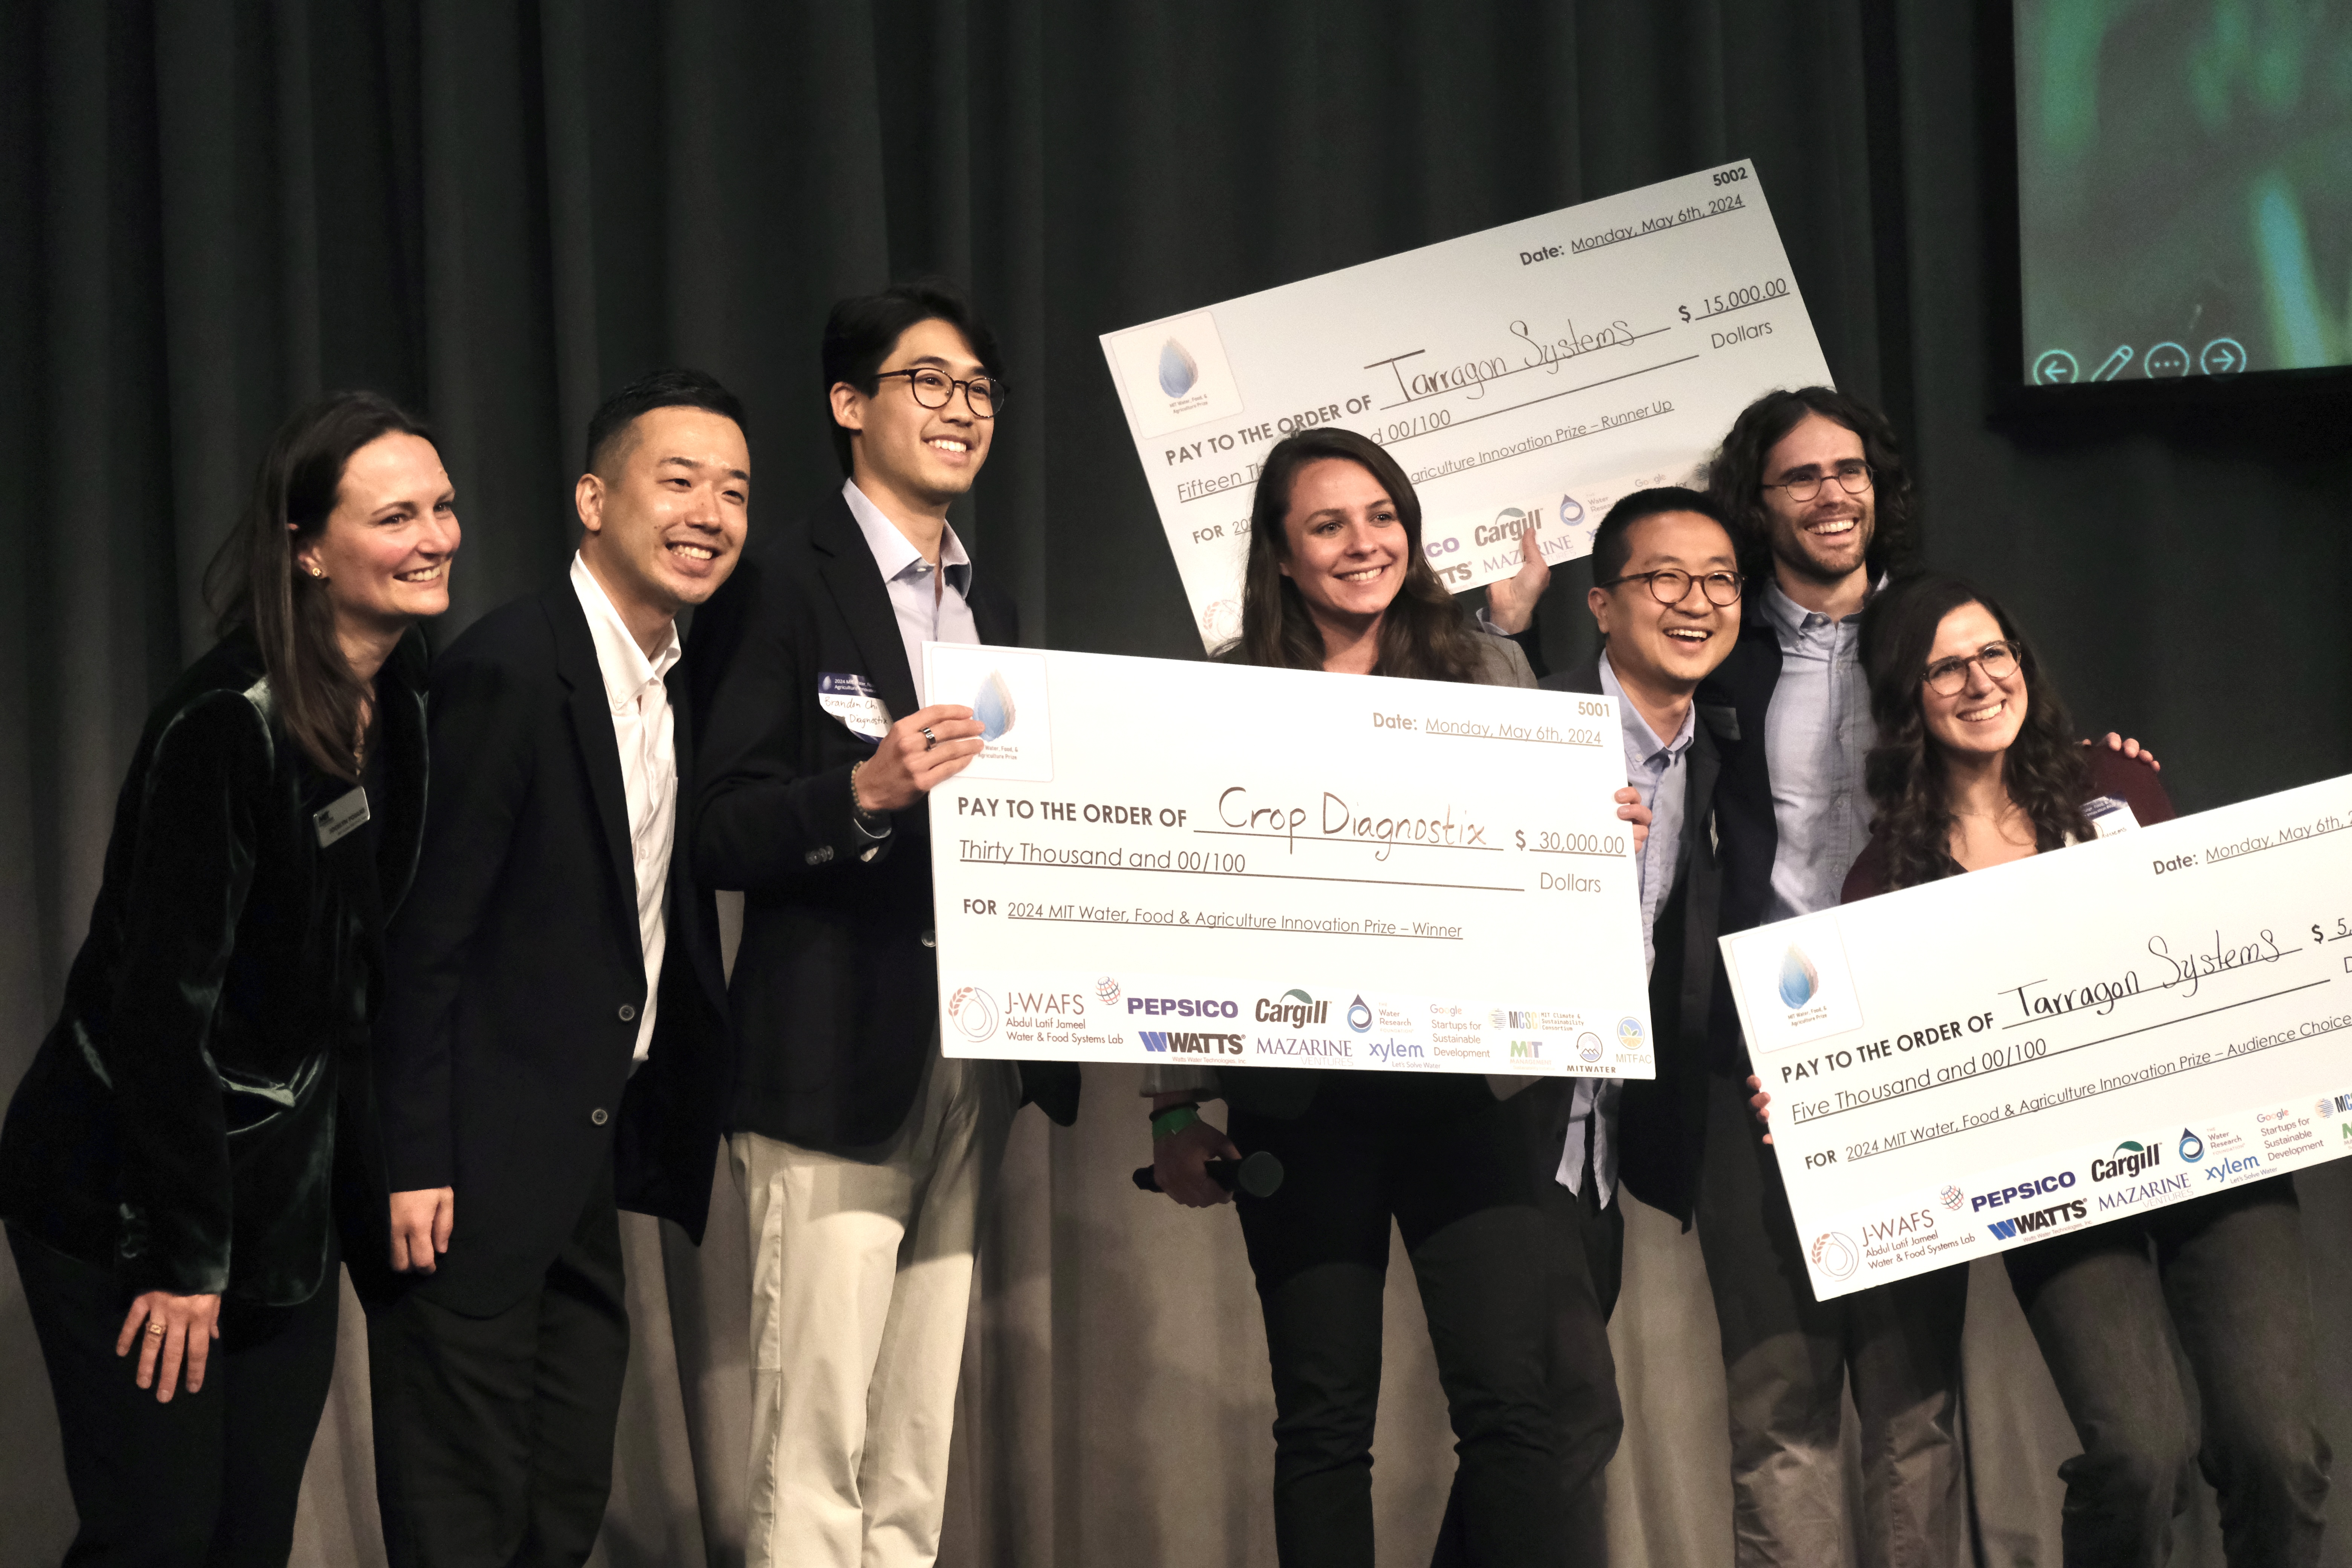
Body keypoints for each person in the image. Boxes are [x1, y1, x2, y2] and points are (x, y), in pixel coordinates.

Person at [1145, 426, 1649, 1568]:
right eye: (1328, 525)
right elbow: (1179, 912)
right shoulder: (1224, 693)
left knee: (1512, 1411)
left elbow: (1549, 868)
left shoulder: (1484, 669)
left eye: (1382, 517)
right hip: (1301, 1102)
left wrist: (1598, 834)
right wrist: (1176, 1107)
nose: (1363, 543)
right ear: (1281, 554)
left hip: (1469, 1094)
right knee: (1324, 1426)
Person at [1773, 572, 2330, 1566]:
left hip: (2217, 1154)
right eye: (1947, 666)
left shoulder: (2120, 786)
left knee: (2276, 1449)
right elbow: (1870, 1056)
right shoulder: (1885, 878)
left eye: (1996, 654)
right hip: (2059, 1192)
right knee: (2140, 1454)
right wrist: (1808, 1095)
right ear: (1908, 697)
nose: (1981, 680)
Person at [0, 391, 457, 1564]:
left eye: (444, 508)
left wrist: (390, 1169)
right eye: (397, 514)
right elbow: (162, 1020)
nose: (437, 536)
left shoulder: (404, 690)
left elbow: (367, 972)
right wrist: (186, 1261)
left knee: (248, 1535)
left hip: (281, 1207)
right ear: (308, 549)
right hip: (129, 1198)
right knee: (158, 1537)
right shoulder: (224, 726)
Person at [690, 281, 1080, 1568]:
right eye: (930, 382)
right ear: (851, 405)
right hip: (827, 1054)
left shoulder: (994, 609)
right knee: (814, 1442)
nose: (960, 409)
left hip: (968, 1051)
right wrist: (859, 792)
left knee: (916, 1443)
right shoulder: (778, 584)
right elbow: (720, 825)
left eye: (978, 389)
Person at [364, 369, 743, 1566]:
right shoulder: (512, 667)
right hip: (467, 1169)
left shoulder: (674, 685)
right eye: (676, 480)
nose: (709, 513)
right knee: (465, 1516)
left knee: (563, 1496)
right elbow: (423, 938)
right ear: (593, 498)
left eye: (734, 490)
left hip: (578, 1157)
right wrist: (415, 1155)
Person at [1478, 485, 1743, 1562]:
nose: (1695, 602)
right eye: (1663, 578)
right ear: (1598, 604)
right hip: (1502, 1126)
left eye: (1719, 579)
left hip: (1600, 1151)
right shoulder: (1522, 730)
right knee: (1570, 1416)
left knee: (1525, 1435)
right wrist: (1497, 628)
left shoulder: (1726, 757)